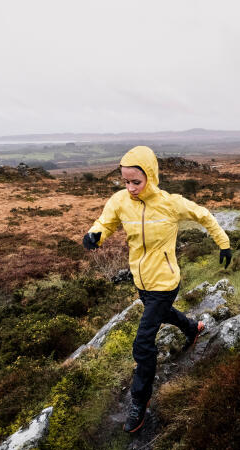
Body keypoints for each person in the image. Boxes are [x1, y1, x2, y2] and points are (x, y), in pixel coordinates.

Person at [82, 146, 232, 433]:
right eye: (125, 182)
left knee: (143, 342)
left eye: (136, 182)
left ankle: (140, 399)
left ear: (150, 176)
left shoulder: (170, 203)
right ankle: (192, 328)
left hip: (165, 282)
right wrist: (95, 235)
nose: (130, 188)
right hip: (142, 282)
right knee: (162, 314)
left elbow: (204, 215)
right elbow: (106, 222)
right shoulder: (120, 201)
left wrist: (223, 242)